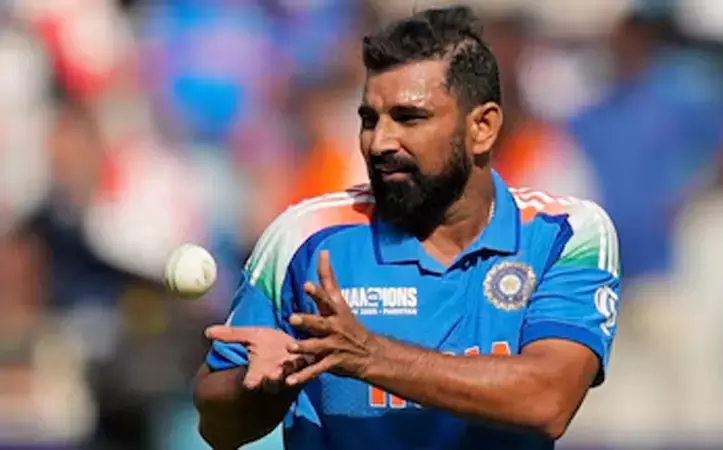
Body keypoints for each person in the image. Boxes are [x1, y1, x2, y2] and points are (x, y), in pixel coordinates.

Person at [194, 6, 621, 450]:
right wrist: (260, 387)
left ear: (483, 127)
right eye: (369, 119)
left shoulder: (565, 235)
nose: (379, 142)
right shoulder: (305, 237)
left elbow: (548, 399)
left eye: (409, 118)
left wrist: (368, 355)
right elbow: (217, 428)